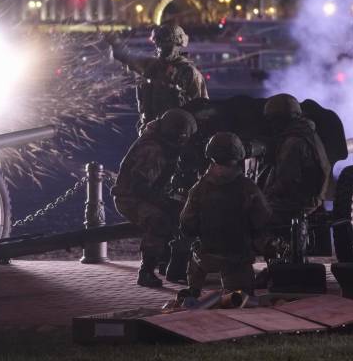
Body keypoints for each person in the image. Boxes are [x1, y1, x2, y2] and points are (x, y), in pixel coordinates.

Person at [112, 108, 197, 288]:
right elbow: (139, 187)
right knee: (160, 221)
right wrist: (166, 203)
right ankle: (146, 271)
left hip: (144, 193)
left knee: (182, 212)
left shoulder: (161, 143)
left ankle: (169, 264)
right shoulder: (152, 149)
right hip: (129, 198)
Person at [179, 132, 272, 297]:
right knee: (240, 300)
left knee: (196, 255)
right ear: (239, 154)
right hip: (237, 258)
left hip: (206, 256)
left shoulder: (198, 188)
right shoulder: (248, 187)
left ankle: (194, 289)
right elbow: (263, 219)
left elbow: (187, 223)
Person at [105, 24, 208, 133]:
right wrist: (115, 42)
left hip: (177, 134)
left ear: (178, 45)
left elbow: (201, 109)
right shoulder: (151, 65)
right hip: (150, 131)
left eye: (167, 44)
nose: (162, 48)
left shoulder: (189, 73)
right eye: (159, 43)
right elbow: (127, 57)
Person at [259, 93, 332, 231]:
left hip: (298, 201)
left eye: (274, 120)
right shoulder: (307, 132)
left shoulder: (293, 143)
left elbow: (287, 180)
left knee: (251, 210)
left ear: (282, 119)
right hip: (311, 196)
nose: (272, 125)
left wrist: (262, 195)